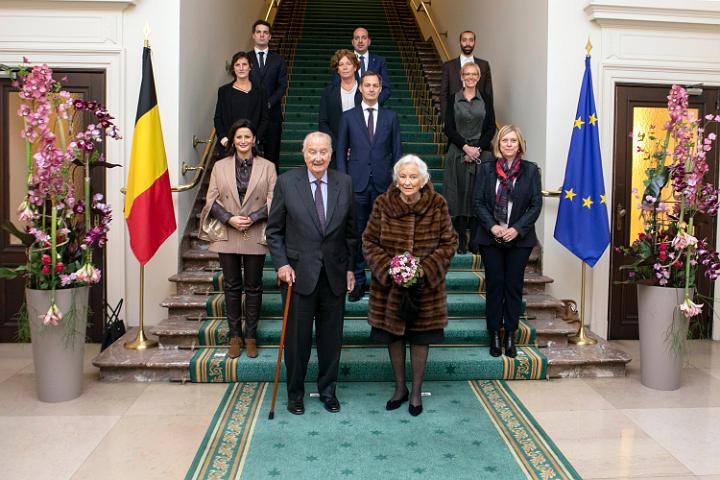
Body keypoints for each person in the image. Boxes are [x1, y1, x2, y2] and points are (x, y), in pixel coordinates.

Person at [266, 131, 357, 415]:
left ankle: (328, 390)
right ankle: (295, 393)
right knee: (297, 340)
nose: (318, 157)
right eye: (312, 152)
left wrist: (351, 268)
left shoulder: (345, 182)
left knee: (332, 339)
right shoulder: (286, 183)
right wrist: (281, 264)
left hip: (334, 275)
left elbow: (352, 233)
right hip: (297, 275)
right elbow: (274, 230)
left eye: (323, 152)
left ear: (332, 154)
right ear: (303, 154)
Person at [363, 155, 457, 416]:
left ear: (424, 180)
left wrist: (422, 270)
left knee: (419, 337)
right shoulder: (383, 203)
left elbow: (449, 243)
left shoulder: (438, 204)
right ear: (396, 179)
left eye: (413, 177)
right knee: (393, 336)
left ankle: (415, 392)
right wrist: (391, 268)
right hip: (389, 288)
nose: (407, 181)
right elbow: (369, 241)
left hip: (425, 288)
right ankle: (399, 388)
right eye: (402, 176)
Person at [200, 119, 277, 359]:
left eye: (247, 136)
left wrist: (253, 217)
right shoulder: (220, 166)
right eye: (239, 137)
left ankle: (251, 335)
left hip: (255, 231)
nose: (243, 141)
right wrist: (229, 218)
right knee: (232, 286)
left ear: (254, 139)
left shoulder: (268, 166)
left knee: (254, 287)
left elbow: (274, 200)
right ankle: (235, 336)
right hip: (227, 232)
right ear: (233, 140)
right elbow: (211, 200)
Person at [474, 125, 542, 358]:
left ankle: (510, 334)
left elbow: (535, 205)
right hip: (490, 238)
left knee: (513, 287)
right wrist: (493, 226)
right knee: (495, 286)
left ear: (520, 144)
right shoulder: (486, 170)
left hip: (518, 240)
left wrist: (516, 229)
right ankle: (494, 333)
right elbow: (478, 203)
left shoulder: (531, 171)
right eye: (505, 140)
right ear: (498, 144)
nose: (509, 144)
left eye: (513, 140)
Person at [336, 71, 402, 302]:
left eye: (376, 85)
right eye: (368, 85)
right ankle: (358, 282)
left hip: (384, 185)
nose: (372, 89)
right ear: (360, 89)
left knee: (383, 236)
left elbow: (397, 153)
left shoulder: (391, 117)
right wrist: (344, 182)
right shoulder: (348, 117)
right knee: (357, 234)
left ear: (381, 89)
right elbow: (341, 153)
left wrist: (397, 185)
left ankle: (381, 283)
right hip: (356, 184)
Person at [443, 61, 496, 254]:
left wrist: (476, 149)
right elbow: (448, 128)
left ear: (479, 77)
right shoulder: (452, 98)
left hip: (481, 154)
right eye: (467, 74)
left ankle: (475, 240)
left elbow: (491, 128)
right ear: (461, 76)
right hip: (457, 152)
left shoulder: (487, 100)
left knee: (477, 196)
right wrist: (465, 147)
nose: (471, 77)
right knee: (458, 196)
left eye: (474, 74)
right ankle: (461, 240)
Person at [248, 19, 288, 171]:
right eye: (258, 32)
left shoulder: (278, 60)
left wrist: (269, 103)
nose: (262, 35)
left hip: (273, 117)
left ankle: (272, 192)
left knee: (272, 158)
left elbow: (282, 86)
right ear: (253, 35)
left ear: (270, 36)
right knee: (250, 157)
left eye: (265, 32)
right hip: (251, 116)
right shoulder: (245, 59)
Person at [213, 51, 269, 154]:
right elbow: (218, 118)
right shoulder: (224, 91)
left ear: (250, 67)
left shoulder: (260, 91)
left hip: (253, 147)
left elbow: (264, 118)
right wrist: (225, 140)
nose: (241, 68)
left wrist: (255, 140)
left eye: (244, 64)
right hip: (229, 147)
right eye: (237, 65)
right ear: (233, 68)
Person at [319, 49, 362, 166]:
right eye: (341, 64)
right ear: (337, 69)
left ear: (355, 67)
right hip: (335, 150)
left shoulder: (365, 91)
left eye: (348, 64)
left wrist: (357, 146)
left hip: (362, 149)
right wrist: (338, 146)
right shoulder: (328, 92)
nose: (345, 67)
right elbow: (323, 122)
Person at [440, 30, 493, 119]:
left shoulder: (484, 65)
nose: (467, 43)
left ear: (474, 42)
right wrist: (446, 119)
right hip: (455, 116)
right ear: (460, 42)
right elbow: (443, 94)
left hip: (478, 117)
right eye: (464, 40)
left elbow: (488, 94)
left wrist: (489, 118)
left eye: (471, 40)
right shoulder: (448, 66)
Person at [334, 27, 391, 105]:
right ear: (352, 42)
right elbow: (336, 85)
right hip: (349, 108)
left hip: (373, 110)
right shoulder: (343, 61)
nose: (360, 41)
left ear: (369, 41)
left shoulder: (380, 61)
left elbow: (386, 88)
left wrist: (372, 103)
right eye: (357, 38)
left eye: (364, 38)